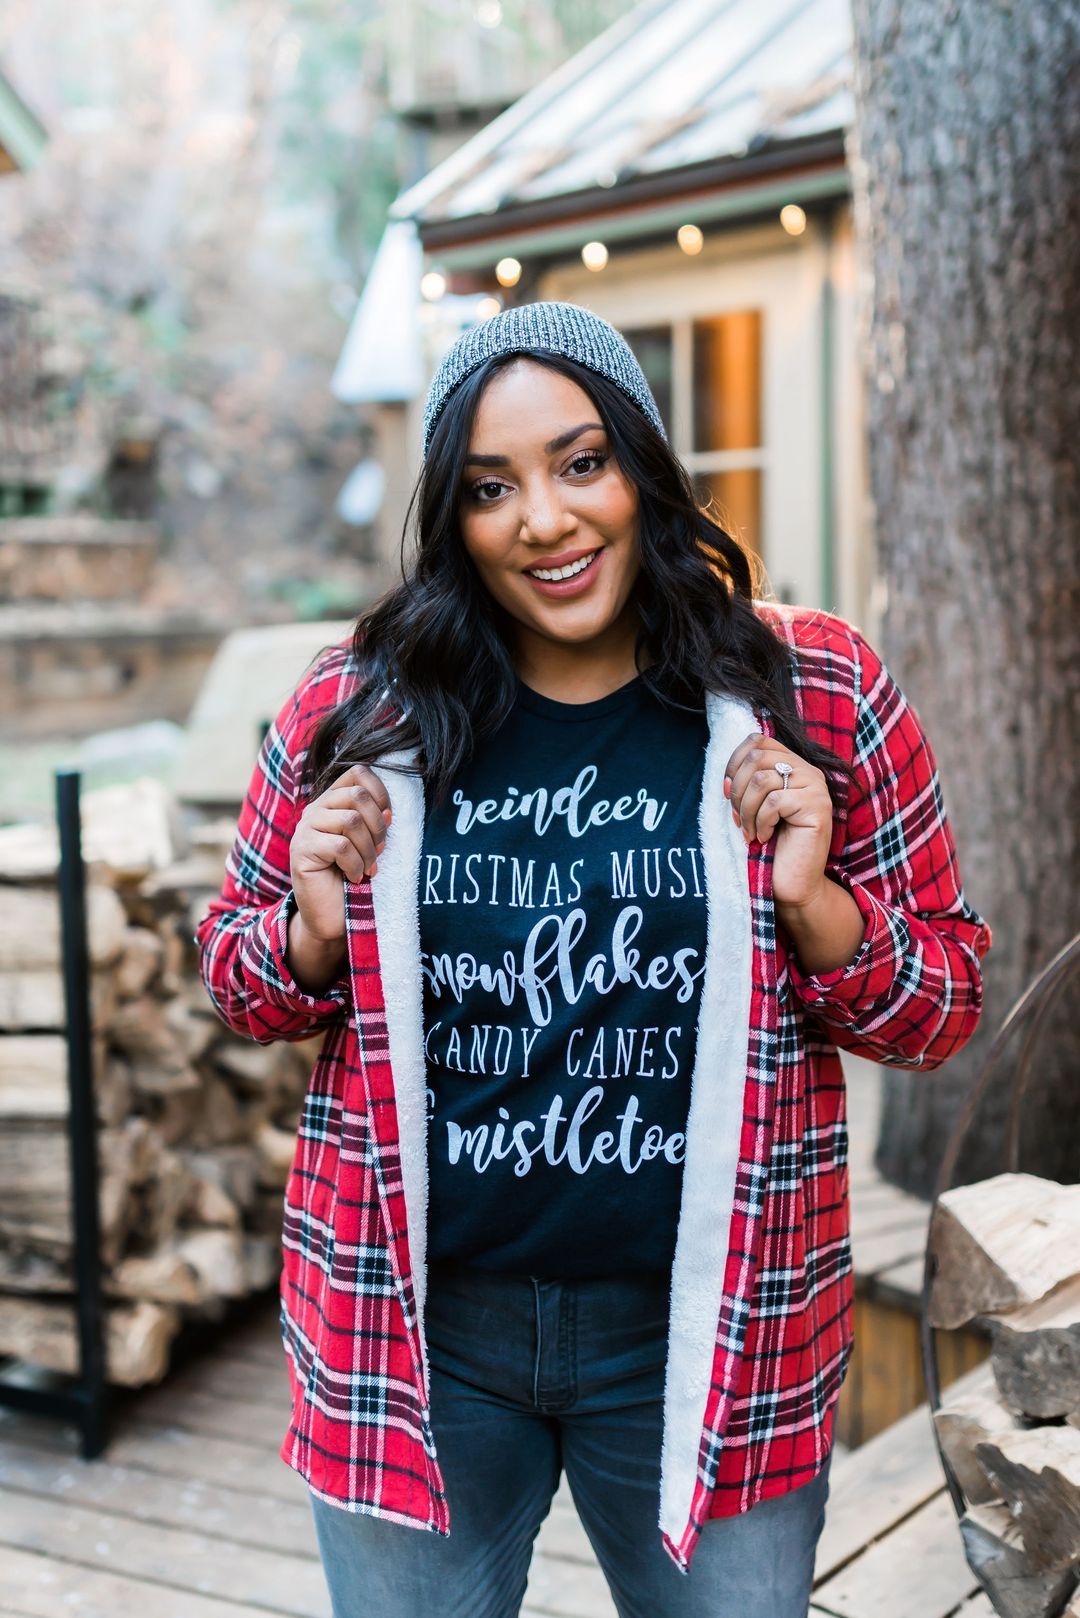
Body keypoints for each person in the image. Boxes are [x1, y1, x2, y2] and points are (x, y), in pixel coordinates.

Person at [195, 301, 993, 1618]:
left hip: (718, 1330)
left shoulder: (818, 691)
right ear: (454, 515)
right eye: (491, 486)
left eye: (581, 462)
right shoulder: (360, 704)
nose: (546, 521)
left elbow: (945, 1000)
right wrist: (309, 929)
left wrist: (822, 909)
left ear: (644, 465)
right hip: (418, 1337)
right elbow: (238, 977)